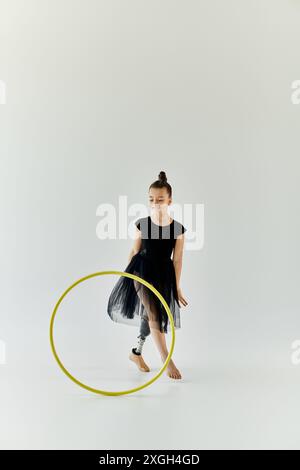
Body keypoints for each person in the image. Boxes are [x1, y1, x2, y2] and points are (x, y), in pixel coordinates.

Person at [107, 171, 188, 379]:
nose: (155, 203)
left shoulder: (178, 229)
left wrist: (176, 286)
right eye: (151, 199)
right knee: (154, 314)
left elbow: (177, 260)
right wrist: (128, 276)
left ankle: (136, 353)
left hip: (163, 275)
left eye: (160, 199)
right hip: (141, 272)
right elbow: (135, 251)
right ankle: (166, 360)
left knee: (149, 315)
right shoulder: (143, 224)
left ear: (170, 200)